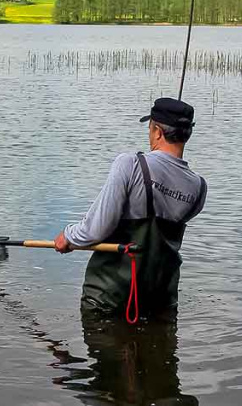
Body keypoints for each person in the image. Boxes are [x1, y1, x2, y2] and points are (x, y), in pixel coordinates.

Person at [53, 97, 207, 319]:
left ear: (157, 131)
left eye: (150, 127)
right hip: (160, 302)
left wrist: (68, 236)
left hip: (110, 299)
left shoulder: (131, 164)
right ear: (187, 134)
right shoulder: (199, 187)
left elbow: (95, 229)